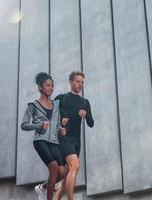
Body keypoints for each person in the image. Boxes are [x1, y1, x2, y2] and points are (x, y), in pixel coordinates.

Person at [21, 72, 68, 200]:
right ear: (40, 87)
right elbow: (24, 125)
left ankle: (42, 188)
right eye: (48, 85)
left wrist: (61, 129)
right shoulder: (33, 106)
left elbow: (56, 123)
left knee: (64, 171)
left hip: (54, 141)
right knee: (53, 168)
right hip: (40, 140)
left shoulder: (56, 105)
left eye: (52, 86)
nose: (51, 88)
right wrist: (39, 126)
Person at [54, 71, 94, 200]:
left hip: (77, 141)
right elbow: (51, 117)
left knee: (69, 174)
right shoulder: (61, 98)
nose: (80, 84)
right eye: (77, 81)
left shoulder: (85, 102)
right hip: (63, 138)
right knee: (75, 166)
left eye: (82, 82)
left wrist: (86, 114)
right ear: (71, 82)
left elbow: (91, 123)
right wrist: (61, 122)